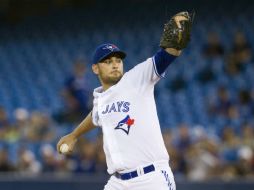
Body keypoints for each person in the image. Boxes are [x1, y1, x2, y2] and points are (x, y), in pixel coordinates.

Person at [57, 11, 194, 190]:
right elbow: (96, 115)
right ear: (95, 68)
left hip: (151, 178)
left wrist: (174, 47)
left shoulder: (136, 78)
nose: (115, 64)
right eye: (108, 61)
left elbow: (166, 56)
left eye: (118, 60)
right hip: (119, 182)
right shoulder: (101, 99)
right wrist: (74, 135)